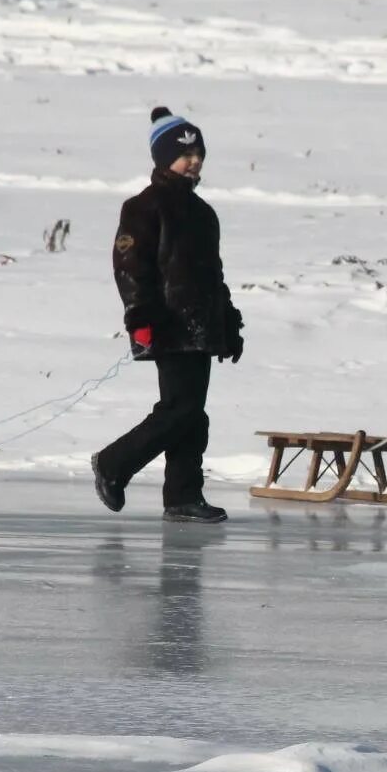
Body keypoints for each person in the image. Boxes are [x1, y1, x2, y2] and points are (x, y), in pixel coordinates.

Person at [92, 107, 244, 523]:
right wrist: (140, 319)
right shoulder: (144, 207)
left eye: (198, 153)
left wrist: (228, 323)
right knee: (180, 410)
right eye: (184, 154)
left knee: (192, 413)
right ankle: (113, 463)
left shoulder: (203, 213)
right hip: (166, 324)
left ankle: (182, 496)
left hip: (200, 327)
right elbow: (130, 267)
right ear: (162, 159)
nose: (193, 161)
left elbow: (214, 276)